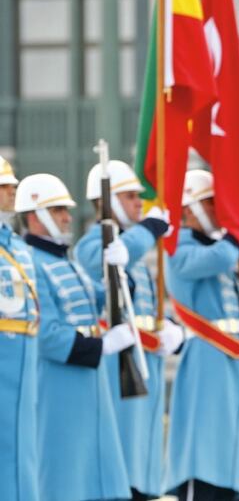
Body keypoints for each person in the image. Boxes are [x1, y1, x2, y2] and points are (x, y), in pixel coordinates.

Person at [18, 172, 132, 501]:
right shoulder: (31, 264)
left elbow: (100, 300)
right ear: (34, 216)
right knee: (63, 477)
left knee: (94, 476)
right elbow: (48, 333)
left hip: (87, 380)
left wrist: (118, 275)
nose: (68, 217)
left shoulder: (64, 260)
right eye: (57, 211)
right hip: (58, 384)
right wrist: (102, 345)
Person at [76, 158, 181, 501]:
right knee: (118, 464)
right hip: (112, 368)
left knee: (141, 466)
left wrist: (170, 333)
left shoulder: (134, 253)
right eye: (130, 196)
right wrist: (149, 230)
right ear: (107, 202)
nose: (140, 203)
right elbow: (103, 261)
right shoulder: (91, 245)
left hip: (143, 361)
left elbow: (147, 310)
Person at [165, 169, 239, 501]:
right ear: (190, 208)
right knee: (204, 446)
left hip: (235, 354)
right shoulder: (179, 245)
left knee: (230, 445)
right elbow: (212, 260)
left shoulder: (222, 247)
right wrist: (237, 234)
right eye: (210, 203)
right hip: (206, 354)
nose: (217, 210)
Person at [0, 156, 39, 501]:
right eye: (3, 187)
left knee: (24, 450)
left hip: (24, 358)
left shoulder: (17, 245)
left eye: (12, 185)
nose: (12, 192)